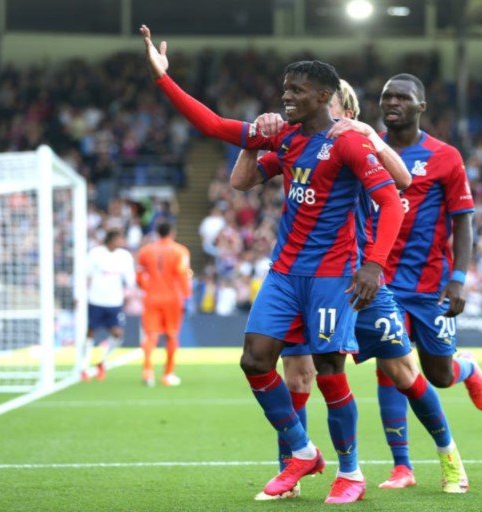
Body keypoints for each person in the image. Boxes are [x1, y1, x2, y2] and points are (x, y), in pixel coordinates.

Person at [141, 26, 404, 504]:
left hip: (332, 275)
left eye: (296, 90)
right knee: (254, 359)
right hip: (285, 273)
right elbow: (214, 126)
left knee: (328, 369)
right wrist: (164, 79)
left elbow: (393, 202)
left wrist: (375, 265)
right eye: (284, 89)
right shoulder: (283, 138)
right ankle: (302, 452)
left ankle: (351, 473)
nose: (286, 97)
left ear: (324, 96)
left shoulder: (348, 141)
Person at [241, 79, 473, 497]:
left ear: (345, 111)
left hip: (364, 281)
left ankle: (446, 455)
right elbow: (248, 173)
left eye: (332, 103)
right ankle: (293, 469)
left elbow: (401, 183)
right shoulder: (307, 142)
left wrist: (367, 135)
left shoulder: (361, 143)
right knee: (296, 374)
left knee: (403, 371)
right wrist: (254, 138)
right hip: (315, 278)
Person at [342, 74, 482, 480]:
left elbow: (464, 221)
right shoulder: (364, 149)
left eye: (402, 97)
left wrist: (458, 277)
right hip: (379, 281)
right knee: (391, 367)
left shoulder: (445, 156)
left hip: (429, 285)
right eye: (386, 96)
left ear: (421, 106)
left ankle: (467, 368)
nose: (392, 102)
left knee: (439, 376)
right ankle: (401, 466)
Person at [136, 222, 192, 386]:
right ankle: (168, 375)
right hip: (173, 299)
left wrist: (148, 288)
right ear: (172, 233)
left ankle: (147, 372)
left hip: (152, 298)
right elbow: (183, 275)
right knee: (172, 335)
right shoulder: (180, 251)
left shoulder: (145, 251)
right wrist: (187, 296)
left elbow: (139, 276)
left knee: (151, 335)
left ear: (157, 233)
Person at [81, 228, 136, 381]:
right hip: (96, 300)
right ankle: (84, 367)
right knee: (90, 333)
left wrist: (130, 294)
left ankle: (101, 361)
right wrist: (80, 295)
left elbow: (130, 279)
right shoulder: (95, 254)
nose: (121, 242)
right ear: (111, 240)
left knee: (118, 334)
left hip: (114, 302)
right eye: (119, 239)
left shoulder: (124, 256)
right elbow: (85, 275)